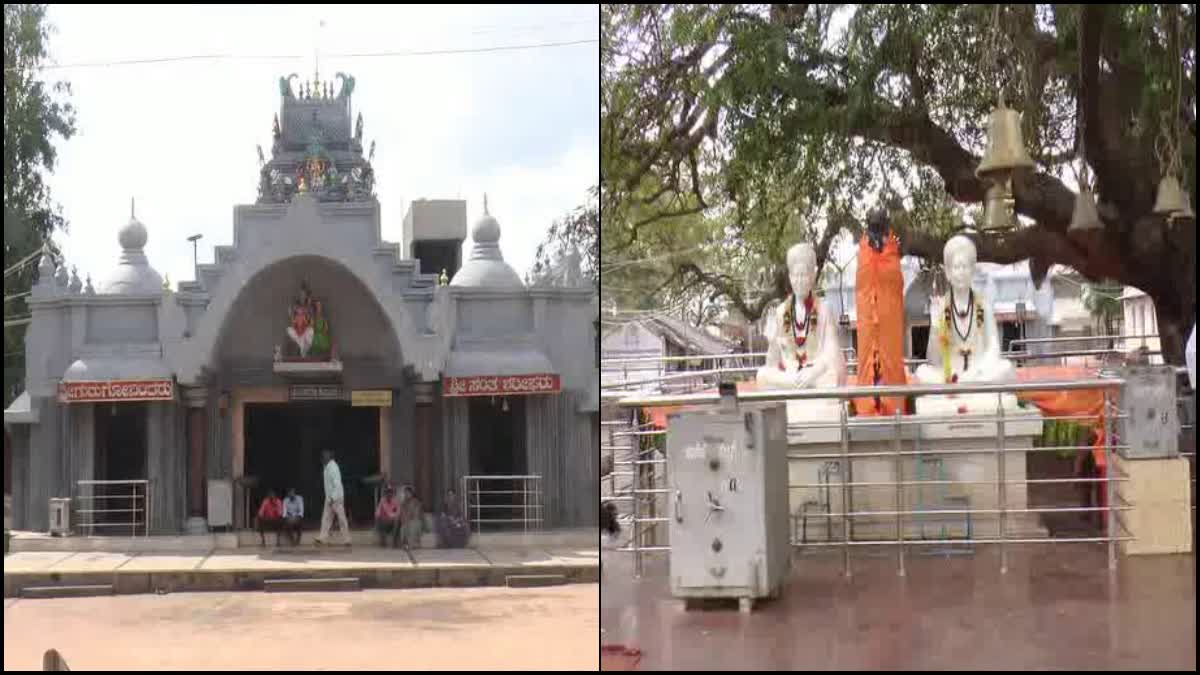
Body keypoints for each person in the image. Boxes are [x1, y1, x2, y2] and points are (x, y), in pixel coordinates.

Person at [315, 449, 351, 546]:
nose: (322, 457)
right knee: (326, 518)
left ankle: (347, 539)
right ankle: (322, 538)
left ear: (330, 456)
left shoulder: (333, 467)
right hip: (329, 497)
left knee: (341, 518)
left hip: (336, 497)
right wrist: (329, 498)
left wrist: (333, 498)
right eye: (322, 455)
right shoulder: (326, 467)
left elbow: (337, 483)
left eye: (325, 455)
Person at [398, 486, 423, 550]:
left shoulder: (416, 502)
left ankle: (412, 544)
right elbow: (402, 514)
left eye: (408, 493)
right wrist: (404, 519)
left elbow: (416, 514)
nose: (406, 494)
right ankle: (405, 544)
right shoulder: (403, 503)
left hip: (415, 520)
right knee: (403, 528)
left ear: (411, 494)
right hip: (406, 521)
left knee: (412, 525)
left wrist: (408, 518)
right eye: (405, 493)